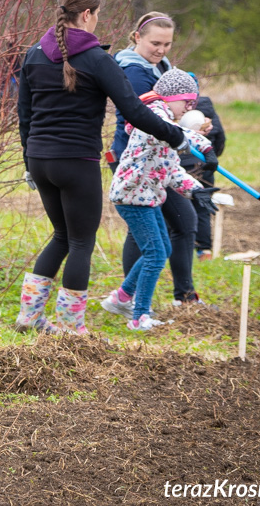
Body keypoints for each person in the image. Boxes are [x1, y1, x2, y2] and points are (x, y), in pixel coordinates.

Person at [15, 0, 187, 335]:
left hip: (39, 160)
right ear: (89, 14)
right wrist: (176, 135)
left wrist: (27, 160)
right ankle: (70, 328)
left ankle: (28, 317)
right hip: (76, 161)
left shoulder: (33, 54)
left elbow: (24, 115)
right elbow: (135, 111)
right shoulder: (96, 59)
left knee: (62, 235)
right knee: (80, 241)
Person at [104, 69, 219, 330]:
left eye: (194, 103)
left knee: (163, 248)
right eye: (187, 102)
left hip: (148, 195)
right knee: (156, 253)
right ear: (171, 97)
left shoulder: (165, 122)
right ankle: (139, 317)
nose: (190, 108)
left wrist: (196, 189)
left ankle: (121, 298)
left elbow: (169, 168)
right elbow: (176, 134)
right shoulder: (156, 116)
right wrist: (205, 147)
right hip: (133, 195)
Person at [108, 13, 208, 306]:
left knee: (172, 226)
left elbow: (175, 115)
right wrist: (186, 135)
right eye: (156, 42)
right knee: (172, 226)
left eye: (167, 43)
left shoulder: (160, 67)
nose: (162, 49)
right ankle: (137, 299)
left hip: (158, 162)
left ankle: (143, 295)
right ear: (137, 37)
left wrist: (194, 128)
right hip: (136, 163)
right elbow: (151, 121)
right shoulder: (134, 71)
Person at [181, 73, 227, 262]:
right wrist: (212, 155)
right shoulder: (207, 105)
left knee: (180, 206)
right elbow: (221, 137)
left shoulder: (175, 109)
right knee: (202, 207)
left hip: (182, 165)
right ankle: (204, 250)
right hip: (205, 165)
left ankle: (184, 245)